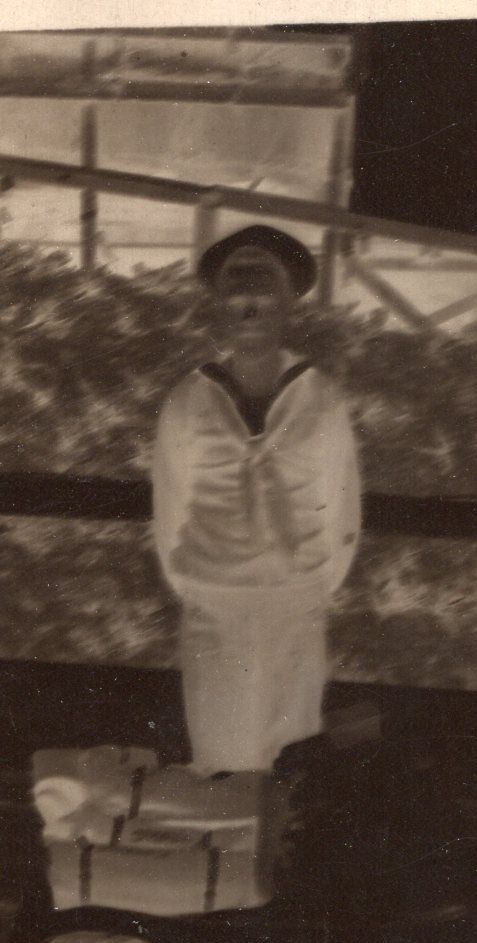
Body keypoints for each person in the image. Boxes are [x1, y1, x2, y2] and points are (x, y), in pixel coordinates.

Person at [151, 224, 362, 774]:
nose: (248, 303)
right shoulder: (188, 400)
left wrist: (306, 583)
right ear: (217, 303)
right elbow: (170, 510)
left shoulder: (321, 397)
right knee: (220, 750)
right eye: (234, 288)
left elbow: (341, 506)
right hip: (214, 601)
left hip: (295, 600)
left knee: (291, 755)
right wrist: (205, 585)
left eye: (264, 286)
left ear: (290, 301)